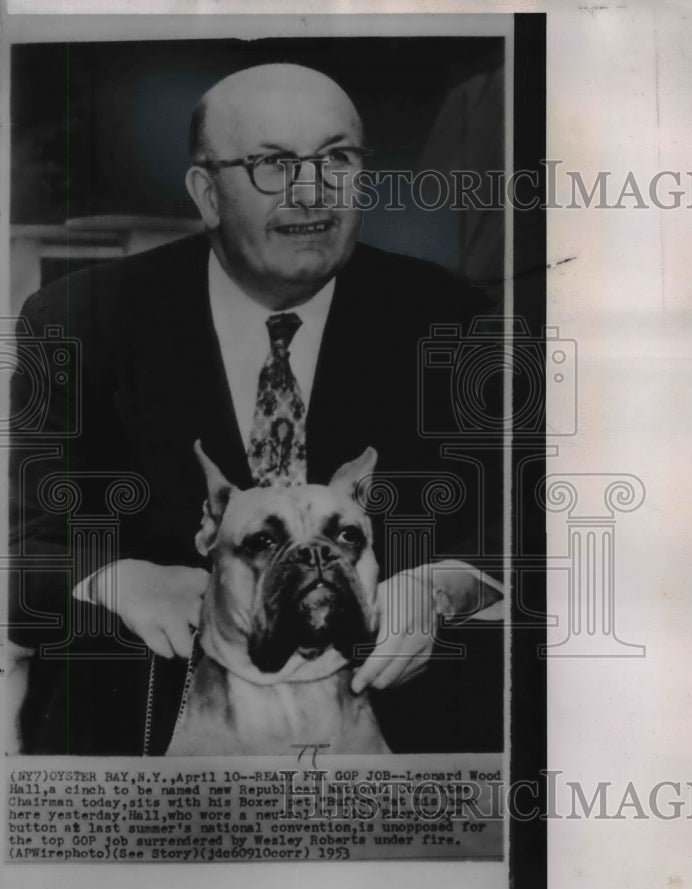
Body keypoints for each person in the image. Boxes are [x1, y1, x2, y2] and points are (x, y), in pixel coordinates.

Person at [9, 63, 504, 755]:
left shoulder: (453, 320)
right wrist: (116, 581)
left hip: (395, 748)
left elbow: (522, 523)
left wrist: (446, 587)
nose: (312, 191)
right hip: (141, 741)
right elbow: (22, 543)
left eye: (336, 158)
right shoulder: (79, 319)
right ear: (207, 194)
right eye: (272, 163)